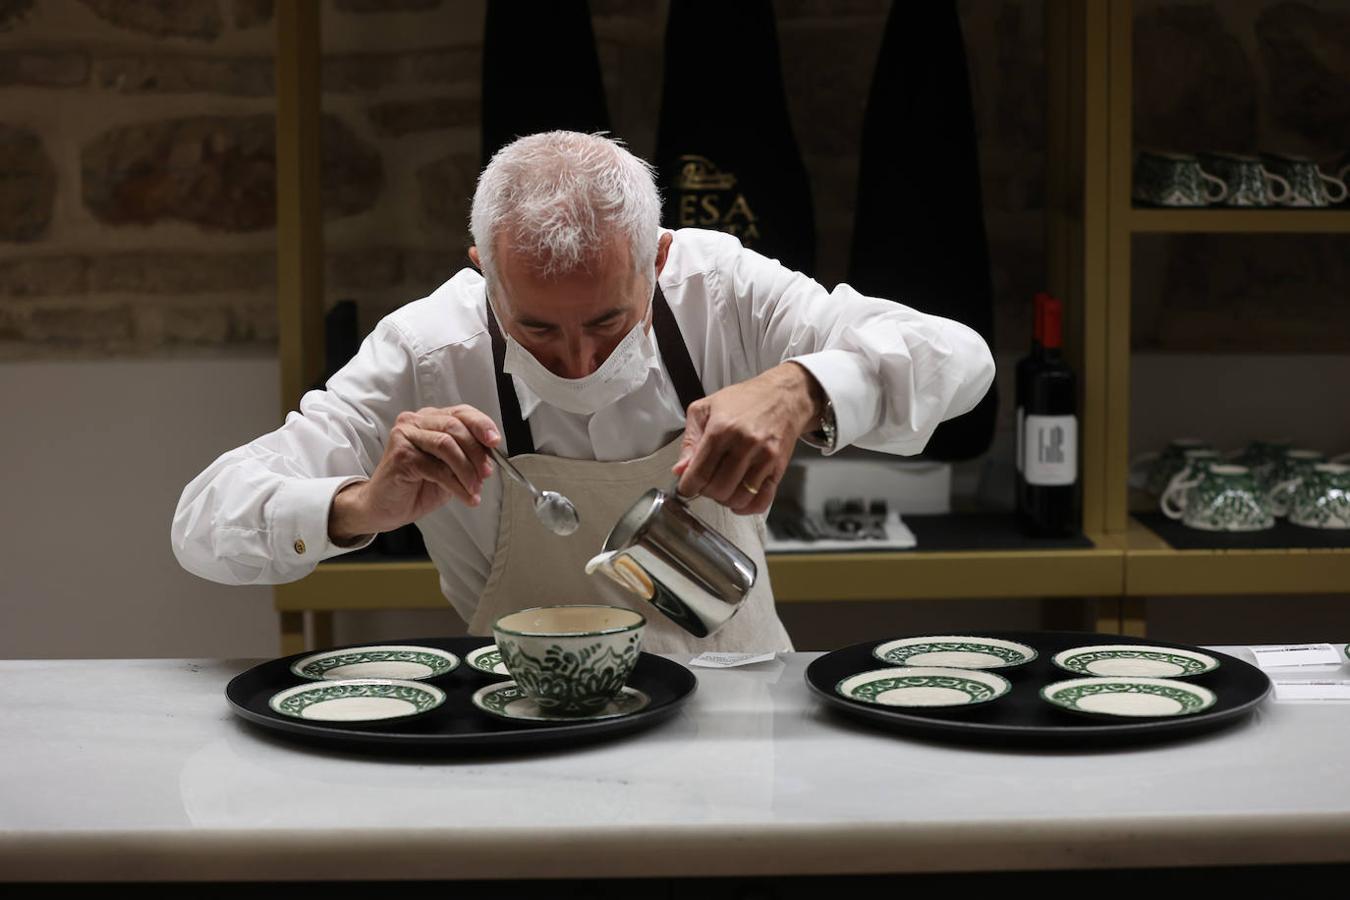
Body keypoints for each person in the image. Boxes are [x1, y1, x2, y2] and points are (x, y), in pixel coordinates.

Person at [172, 131, 995, 653]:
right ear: (481, 272)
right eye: (536, 329)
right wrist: (356, 507)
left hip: (737, 703)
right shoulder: (426, 347)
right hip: (519, 721)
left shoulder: (726, 292)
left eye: (607, 322)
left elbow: (958, 357)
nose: (576, 360)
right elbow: (203, 524)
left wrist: (799, 386)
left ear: (660, 258)